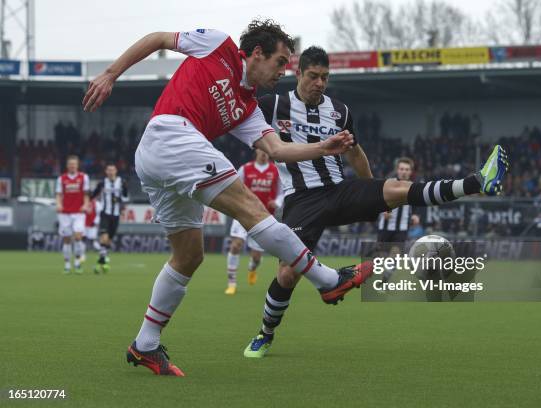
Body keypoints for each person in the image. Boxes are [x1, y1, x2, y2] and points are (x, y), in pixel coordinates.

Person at [83, 19, 366, 376]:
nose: (284, 71)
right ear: (258, 53)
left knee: (189, 256)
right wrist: (111, 74)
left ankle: (145, 344)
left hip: (162, 159)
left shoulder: (248, 107)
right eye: (280, 62)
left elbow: (277, 149)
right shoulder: (218, 45)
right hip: (171, 133)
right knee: (251, 208)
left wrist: (324, 147)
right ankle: (327, 281)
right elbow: (158, 38)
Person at [243, 46, 509, 358]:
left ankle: (477, 182)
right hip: (302, 200)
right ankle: (266, 333)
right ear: (298, 73)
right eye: (313, 76)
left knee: (397, 189)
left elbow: (354, 152)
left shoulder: (338, 110)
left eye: (325, 77)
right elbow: (242, 112)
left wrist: (371, 192)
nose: (319, 83)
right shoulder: (274, 104)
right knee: (288, 274)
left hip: (339, 190)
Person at [225, 149, 282, 295]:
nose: (263, 153)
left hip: (263, 216)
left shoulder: (275, 170)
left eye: (266, 151)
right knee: (236, 245)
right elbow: (235, 187)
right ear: (256, 151)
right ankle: (231, 283)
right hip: (243, 212)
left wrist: (277, 202)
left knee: (256, 257)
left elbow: (282, 191)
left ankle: (252, 268)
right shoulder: (245, 169)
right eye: (261, 150)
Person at [91, 163, 129, 274]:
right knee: (104, 236)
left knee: (109, 240)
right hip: (105, 213)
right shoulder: (102, 183)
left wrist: (122, 205)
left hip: (116, 215)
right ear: (106, 172)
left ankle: (101, 260)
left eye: (113, 170)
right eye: (109, 170)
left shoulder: (122, 182)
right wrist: (87, 202)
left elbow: (125, 197)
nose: (111, 172)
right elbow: (93, 195)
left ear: (116, 171)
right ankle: (103, 261)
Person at [55, 155, 90, 274]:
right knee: (66, 239)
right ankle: (67, 264)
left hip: (79, 212)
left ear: (77, 165)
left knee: (78, 236)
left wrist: (85, 204)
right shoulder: (62, 178)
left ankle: (77, 262)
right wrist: (58, 204)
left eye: (74, 164)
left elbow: (86, 194)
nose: (72, 166)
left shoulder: (83, 177)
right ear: (67, 165)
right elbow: (59, 194)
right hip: (65, 213)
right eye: (70, 164)